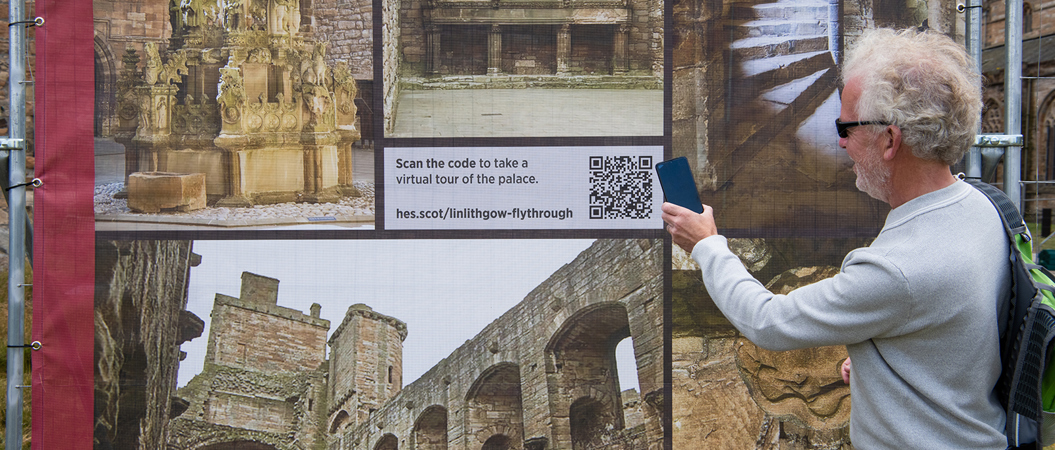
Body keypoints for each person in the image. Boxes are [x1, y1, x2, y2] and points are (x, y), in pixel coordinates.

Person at [663, 28, 1010, 448]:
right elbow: (956, 329)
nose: (840, 142)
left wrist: (706, 244)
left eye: (844, 127)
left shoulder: (897, 269)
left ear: (889, 140)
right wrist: (885, 362)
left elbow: (768, 321)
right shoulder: (983, 207)